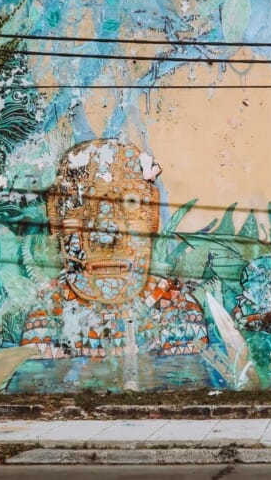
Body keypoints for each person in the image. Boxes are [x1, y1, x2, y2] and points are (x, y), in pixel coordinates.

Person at [19, 138, 208, 390]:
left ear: (152, 214)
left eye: (130, 204)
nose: (106, 236)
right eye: (80, 205)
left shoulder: (176, 311)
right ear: (55, 216)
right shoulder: (49, 313)